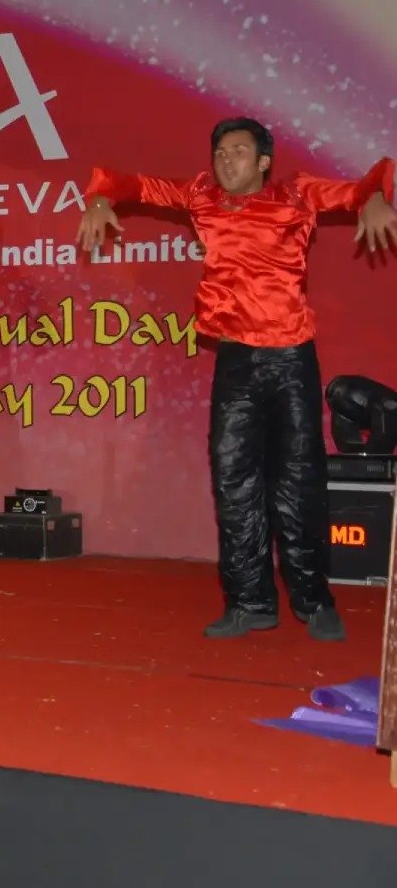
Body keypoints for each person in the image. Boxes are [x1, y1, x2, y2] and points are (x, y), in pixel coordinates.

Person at [77, 118, 396, 641]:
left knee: (298, 481)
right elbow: (127, 183)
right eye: (220, 152)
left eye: (239, 151)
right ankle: (250, 603)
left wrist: (376, 200)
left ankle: (314, 602)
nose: (227, 161)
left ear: (264, 161)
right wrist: (97, 201)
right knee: (234, 481)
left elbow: (366, 184)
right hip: (236, 362)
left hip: (290, 359)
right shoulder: (201, 195)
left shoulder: (297, 194)